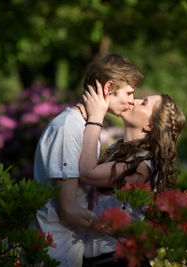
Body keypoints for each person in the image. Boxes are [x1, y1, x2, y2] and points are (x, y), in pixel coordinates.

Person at [32, 54, 144, 267]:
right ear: (108, 88)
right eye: (129, 93)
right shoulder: (67, 128)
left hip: (70, 253)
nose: (132, 101)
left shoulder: (86, 127)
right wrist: (120, 229)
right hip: (54, 255)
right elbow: (68, 210)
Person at [79, 82, 186, 265]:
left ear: (150, 125)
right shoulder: (116, 148)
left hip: (118, 259)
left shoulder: (143, 164)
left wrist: (96, 118)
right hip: (99, 257)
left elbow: (86, 173)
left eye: (143, 103)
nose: (134, 101)